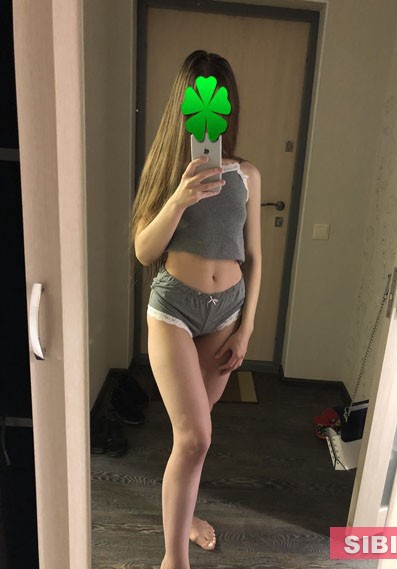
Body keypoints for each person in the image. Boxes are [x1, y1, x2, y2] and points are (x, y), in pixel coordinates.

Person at [130, 50, 262, 569]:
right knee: (194, 436)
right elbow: (144, 251)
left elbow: (254, 257)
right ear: (183, 107)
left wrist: (246, 329)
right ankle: (174, 558)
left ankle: (184, 518)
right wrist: (179, 198)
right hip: (174, 311)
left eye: (218, 100)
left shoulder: (247, 174)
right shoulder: (169, 172)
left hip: (226, 314)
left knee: (194, 439)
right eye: (199, 101)